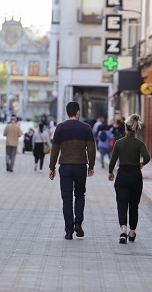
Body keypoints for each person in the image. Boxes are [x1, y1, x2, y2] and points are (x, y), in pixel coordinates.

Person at [49, 101, 96, 240]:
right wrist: (91, 166)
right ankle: (78, 223)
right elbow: (91, 149)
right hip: (81, 166)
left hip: (65, 167)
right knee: (80, 195)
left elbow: (55, 149)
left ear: (66, 113)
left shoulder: (60, 128)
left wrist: (52, 167)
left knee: (67, 199)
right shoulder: (86, 128)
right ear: (77, 112)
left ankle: (69, 231)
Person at [108, 114, 151, 244]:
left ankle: (123, 231)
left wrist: (111, 172)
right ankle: (132, 232)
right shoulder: (139, 144)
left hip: (122, 176)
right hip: (135, 176)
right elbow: (147, 157)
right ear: (136, 129)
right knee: (134, 205)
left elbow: (113, 161)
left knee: (122, 204)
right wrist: (141, 164)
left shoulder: (119, 143)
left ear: (125, 128)